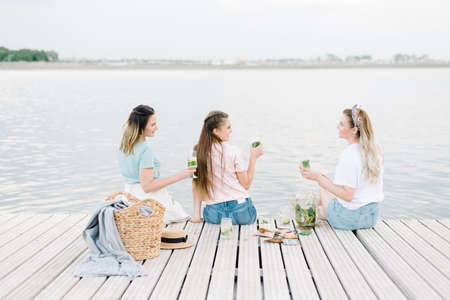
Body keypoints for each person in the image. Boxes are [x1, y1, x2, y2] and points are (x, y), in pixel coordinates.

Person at [300, 105, 383, 230]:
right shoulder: (374, 152)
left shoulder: (349, 154)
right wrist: (320, 178)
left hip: (350, 220)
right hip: (371, 217)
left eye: (341, 124)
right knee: (326, 188)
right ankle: (321, 211)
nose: (337, 127)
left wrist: (317, 177)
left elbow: (348, 195)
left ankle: (318, 214)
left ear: (354, 130)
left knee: (324, 191)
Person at [118, 104, 195, 224]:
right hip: (145, 200)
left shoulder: (124, 146)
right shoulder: (145, 150)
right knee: (180, 215)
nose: (156, 128)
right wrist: (184, 174)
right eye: (153, 124)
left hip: (128, 198)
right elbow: (147, 186)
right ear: (141, 127)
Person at [191, 111, 264, 224]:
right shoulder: (234, 151)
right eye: (228, 127)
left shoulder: (195, 152)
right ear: (215, 131)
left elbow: (196, 183)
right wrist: (253, 158)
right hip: (242, 212)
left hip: (214, 214)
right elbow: (246, 184)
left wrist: (196, 215)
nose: (231, 131)